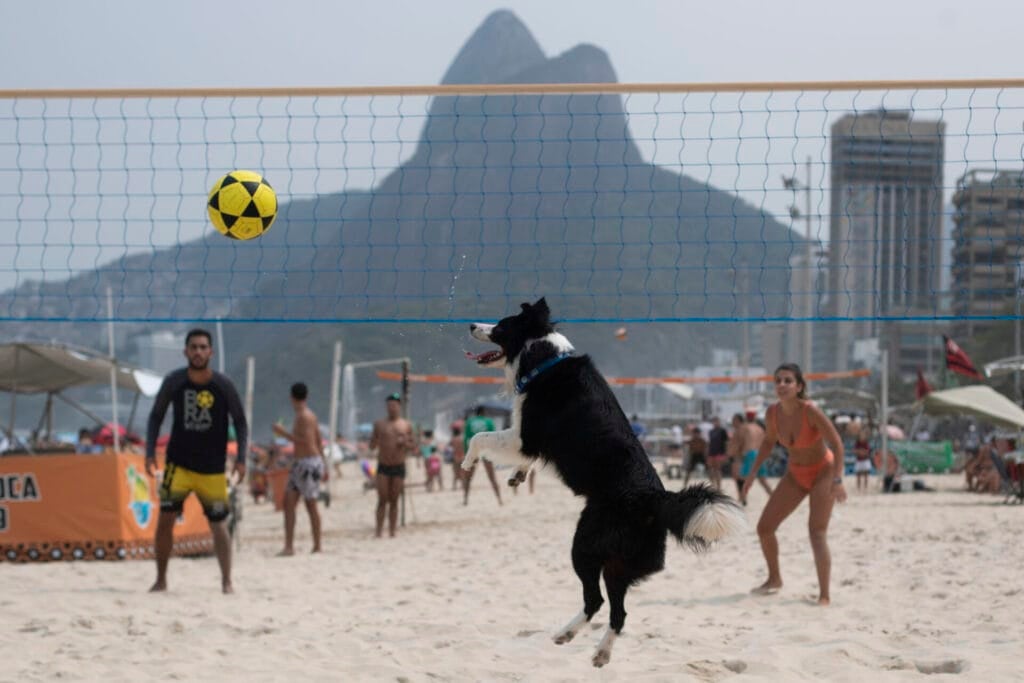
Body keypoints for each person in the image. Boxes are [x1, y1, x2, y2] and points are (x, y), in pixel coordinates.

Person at [145, 328, 247, 594]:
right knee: (165, 521)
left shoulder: (223, 385)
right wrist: (148, 453)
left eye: (203, 347)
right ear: (186, 352)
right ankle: (161, 579)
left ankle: (227, 581)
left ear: (210, 352)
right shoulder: (174, 381)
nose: (198, 352)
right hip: (177, 465)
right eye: (194, 347)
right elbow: (155, 416)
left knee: (219, 524)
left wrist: (242, 459)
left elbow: (240, 421)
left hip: (212, 469)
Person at [742, 363, 847, 606]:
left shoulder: (810, 411)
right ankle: (774, 578)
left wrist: (838, 480)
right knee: (765, 527)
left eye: (788, 381)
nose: (782, 385)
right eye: (778, 380)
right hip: (796, 474)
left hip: (824, 471)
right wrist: (751, 474)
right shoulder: (772, 414)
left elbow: (837, 444)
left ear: (799, 386)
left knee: (816, 532)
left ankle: (824, 595)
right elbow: (768, 443)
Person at [271, 382, 326, 555]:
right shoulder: (309, 415)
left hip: (307, 463)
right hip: (305, 463)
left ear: (291, 398)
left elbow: (307, 442)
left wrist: (283, 433)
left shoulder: (304, 416)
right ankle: (289, 546)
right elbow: (318, 440)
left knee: (311, 505)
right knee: (289, 504)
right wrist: (324, 463)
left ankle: (317, 545)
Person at [369, 393, 414, 538]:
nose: (391, 408)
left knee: (394, 500)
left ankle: (392, 531)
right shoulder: (379, 424)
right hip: (383, 465)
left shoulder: (405, 425)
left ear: (399, 406)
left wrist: (405, 443)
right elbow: (372, 445)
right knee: (382, 499)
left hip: (398, 465)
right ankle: (378, 530)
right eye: (389, 405)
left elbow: (413, 446)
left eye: (394, 405)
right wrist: (376, 441)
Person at [462, 405, 503, 506]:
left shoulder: (469, 422)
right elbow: (494, 438)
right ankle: (499, 500)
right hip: (486, 450)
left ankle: (465, 500)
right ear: (484, 412)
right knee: (492, 477)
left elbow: (465, 438)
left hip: (474, 450)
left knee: (468, 477)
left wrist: (466, 453)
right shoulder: (489, 421)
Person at [734, 413, 773, 505]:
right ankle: (772, 497)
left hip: (750, 453)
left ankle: (742, 499)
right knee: (762, 479)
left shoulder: (744, 427)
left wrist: (737, 454)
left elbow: (739, 442)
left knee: (743, 478)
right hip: (760, 453)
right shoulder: (760, 429)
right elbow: (765, 443)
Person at [706, 416, 729, 492]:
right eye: (714, 421)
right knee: (711, 469)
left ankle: (719, 487)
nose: (715, 423)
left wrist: (726, 454)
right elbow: (710, 443)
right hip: (711, 452)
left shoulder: (722, 431)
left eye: (717, 421)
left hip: (720, 452)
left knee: (717, 469)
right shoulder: (711, 431)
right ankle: (713, 485)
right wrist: (707, 452)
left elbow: (726, 443)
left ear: (719, 422)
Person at [853, 428, 872, 492]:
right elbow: (855, 451)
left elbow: (867, 452)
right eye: (861, 435)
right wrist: (861, 452)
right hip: (859, 460)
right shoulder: (857, 443)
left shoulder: (866, 444)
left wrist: (860, 452)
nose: (862, 437)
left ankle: (865, 487)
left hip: (865, 460)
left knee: (866, 475)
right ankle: (858, 488)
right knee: (858, 475)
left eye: (863, 435)